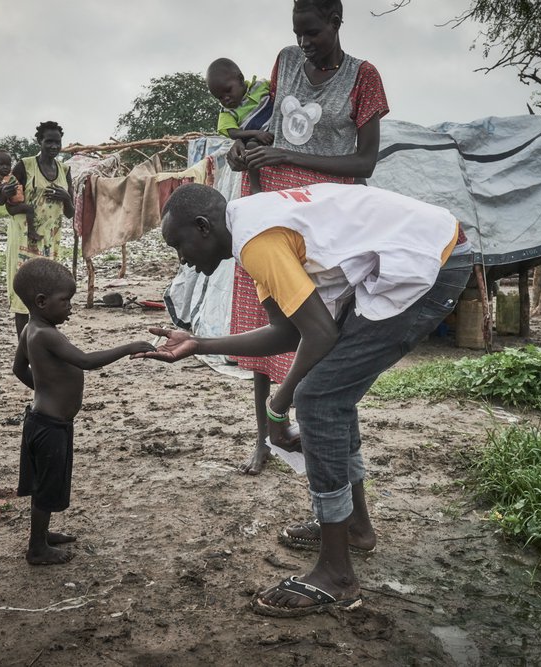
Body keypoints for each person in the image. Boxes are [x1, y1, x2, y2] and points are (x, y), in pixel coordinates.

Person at [140, 182, 472, 616]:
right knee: (328, 394)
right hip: (424, 250)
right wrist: (198, 343)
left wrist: (277, 408)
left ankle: (336, 575)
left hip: (432, 261)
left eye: (178, 245)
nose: (181, 259)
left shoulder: (257, 239)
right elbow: (288, 331)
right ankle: (354, 527)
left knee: (319, 400)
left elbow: (319, 333)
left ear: (203, 227)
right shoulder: (248, 232)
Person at [225, 0, 390, 476]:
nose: (304, 43)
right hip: (271, 208)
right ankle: (264, 438)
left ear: (336, 23)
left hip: (328, 222)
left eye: (313, 33)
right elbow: (275, 127)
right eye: (298, 33)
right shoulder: (286, 61)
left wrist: (289, 157)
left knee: (322, 332)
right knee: (269, 320)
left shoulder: (364, 78)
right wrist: (248, 148)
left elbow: (365, 163)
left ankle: (319, 444)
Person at [11, 258, 154, 564]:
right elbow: (86, 361)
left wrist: (43, 389)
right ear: (41, 301)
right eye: (65, 301)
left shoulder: (29, 330)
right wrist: (129, 347)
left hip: (40, 419)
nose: (70, 308)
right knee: (48, 486)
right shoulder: (47, 334)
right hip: (51, 426)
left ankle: (42, 535)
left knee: (43, 483)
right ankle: (37, 549)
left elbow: (17, 368)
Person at [3, 121, 75, 338]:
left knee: (49, 293)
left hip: (50, 240)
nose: (53, 146)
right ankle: (25, 348)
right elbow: (9, 205)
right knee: (24, 294)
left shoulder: (65, 170)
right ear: (40, 142)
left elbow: (70, 213)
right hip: (25, 238)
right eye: (49, 141)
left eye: (57, 142)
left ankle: (43, 342)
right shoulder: (25, 166)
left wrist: (66, 197)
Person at [206, 58, 274, 146]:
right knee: (251, 146)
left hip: (280, 123)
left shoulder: (261, 85)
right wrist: (256, 133)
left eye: (228, 90)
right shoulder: (227, 112)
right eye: (220, 97)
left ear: (241, 79)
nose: (226, 98)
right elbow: (233, 133)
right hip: (258, 139)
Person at [0, 148, 39, 243]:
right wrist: (3, 187)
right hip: (12, 206)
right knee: (29, 209)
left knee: (29, 209)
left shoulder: (10, 177)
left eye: (8, 165)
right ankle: (31, 231)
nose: (5, 167)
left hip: (16, 202)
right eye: (1, 164)